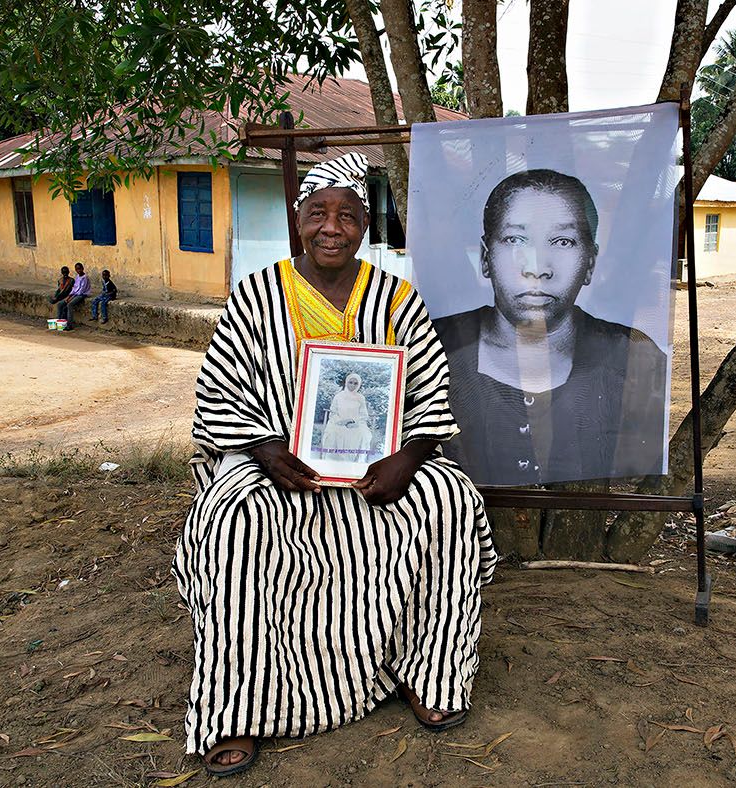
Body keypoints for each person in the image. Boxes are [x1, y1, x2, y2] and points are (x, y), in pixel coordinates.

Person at [173, 152, 497, 777]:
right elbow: (220, 391)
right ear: (298, 221)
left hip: (377, 467)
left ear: (366, 226)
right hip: (276, 464)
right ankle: (234, 708)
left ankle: (426, 673)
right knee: (232, 519)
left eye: (347, 216)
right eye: (318, 213)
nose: (332, 227)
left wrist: (409, 455)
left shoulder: (397, 299)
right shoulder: (256, 296)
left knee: (450, 498)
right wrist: (265, 449)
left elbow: (430, 390)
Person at [432, 169, 668, 486]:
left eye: (562, 241)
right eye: (516, 239)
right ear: (486, 257)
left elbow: (640, 459)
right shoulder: (434, 346)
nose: (537, 269)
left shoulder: (633, 359)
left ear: (590, 262)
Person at [320, 372, 374, 460]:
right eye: (350, 382)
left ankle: (355, 461)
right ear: (346, 382)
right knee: (333, 433)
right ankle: (333, 460)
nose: (353, 385)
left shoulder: (361, 398)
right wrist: (341, 421)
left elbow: (363, 414)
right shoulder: (338, 396)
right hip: (338, 422)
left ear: (359, 384)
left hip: (355, 423)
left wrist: (354, 422)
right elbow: (333, 412)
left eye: (355, 383)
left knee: (362, 434)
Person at [56, 262, 90, 330]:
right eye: (77, 269)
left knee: (69, 304)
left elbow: (81, 291)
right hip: (74, 294)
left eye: (80, 269)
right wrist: (69, 296)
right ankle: (60, 323)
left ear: (82, 269)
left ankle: (69, 325)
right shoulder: (77, 277)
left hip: (82, 295)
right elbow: (74, 288)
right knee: (60, 304)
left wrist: (71, 297)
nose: (78, 270)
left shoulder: (85, 278)